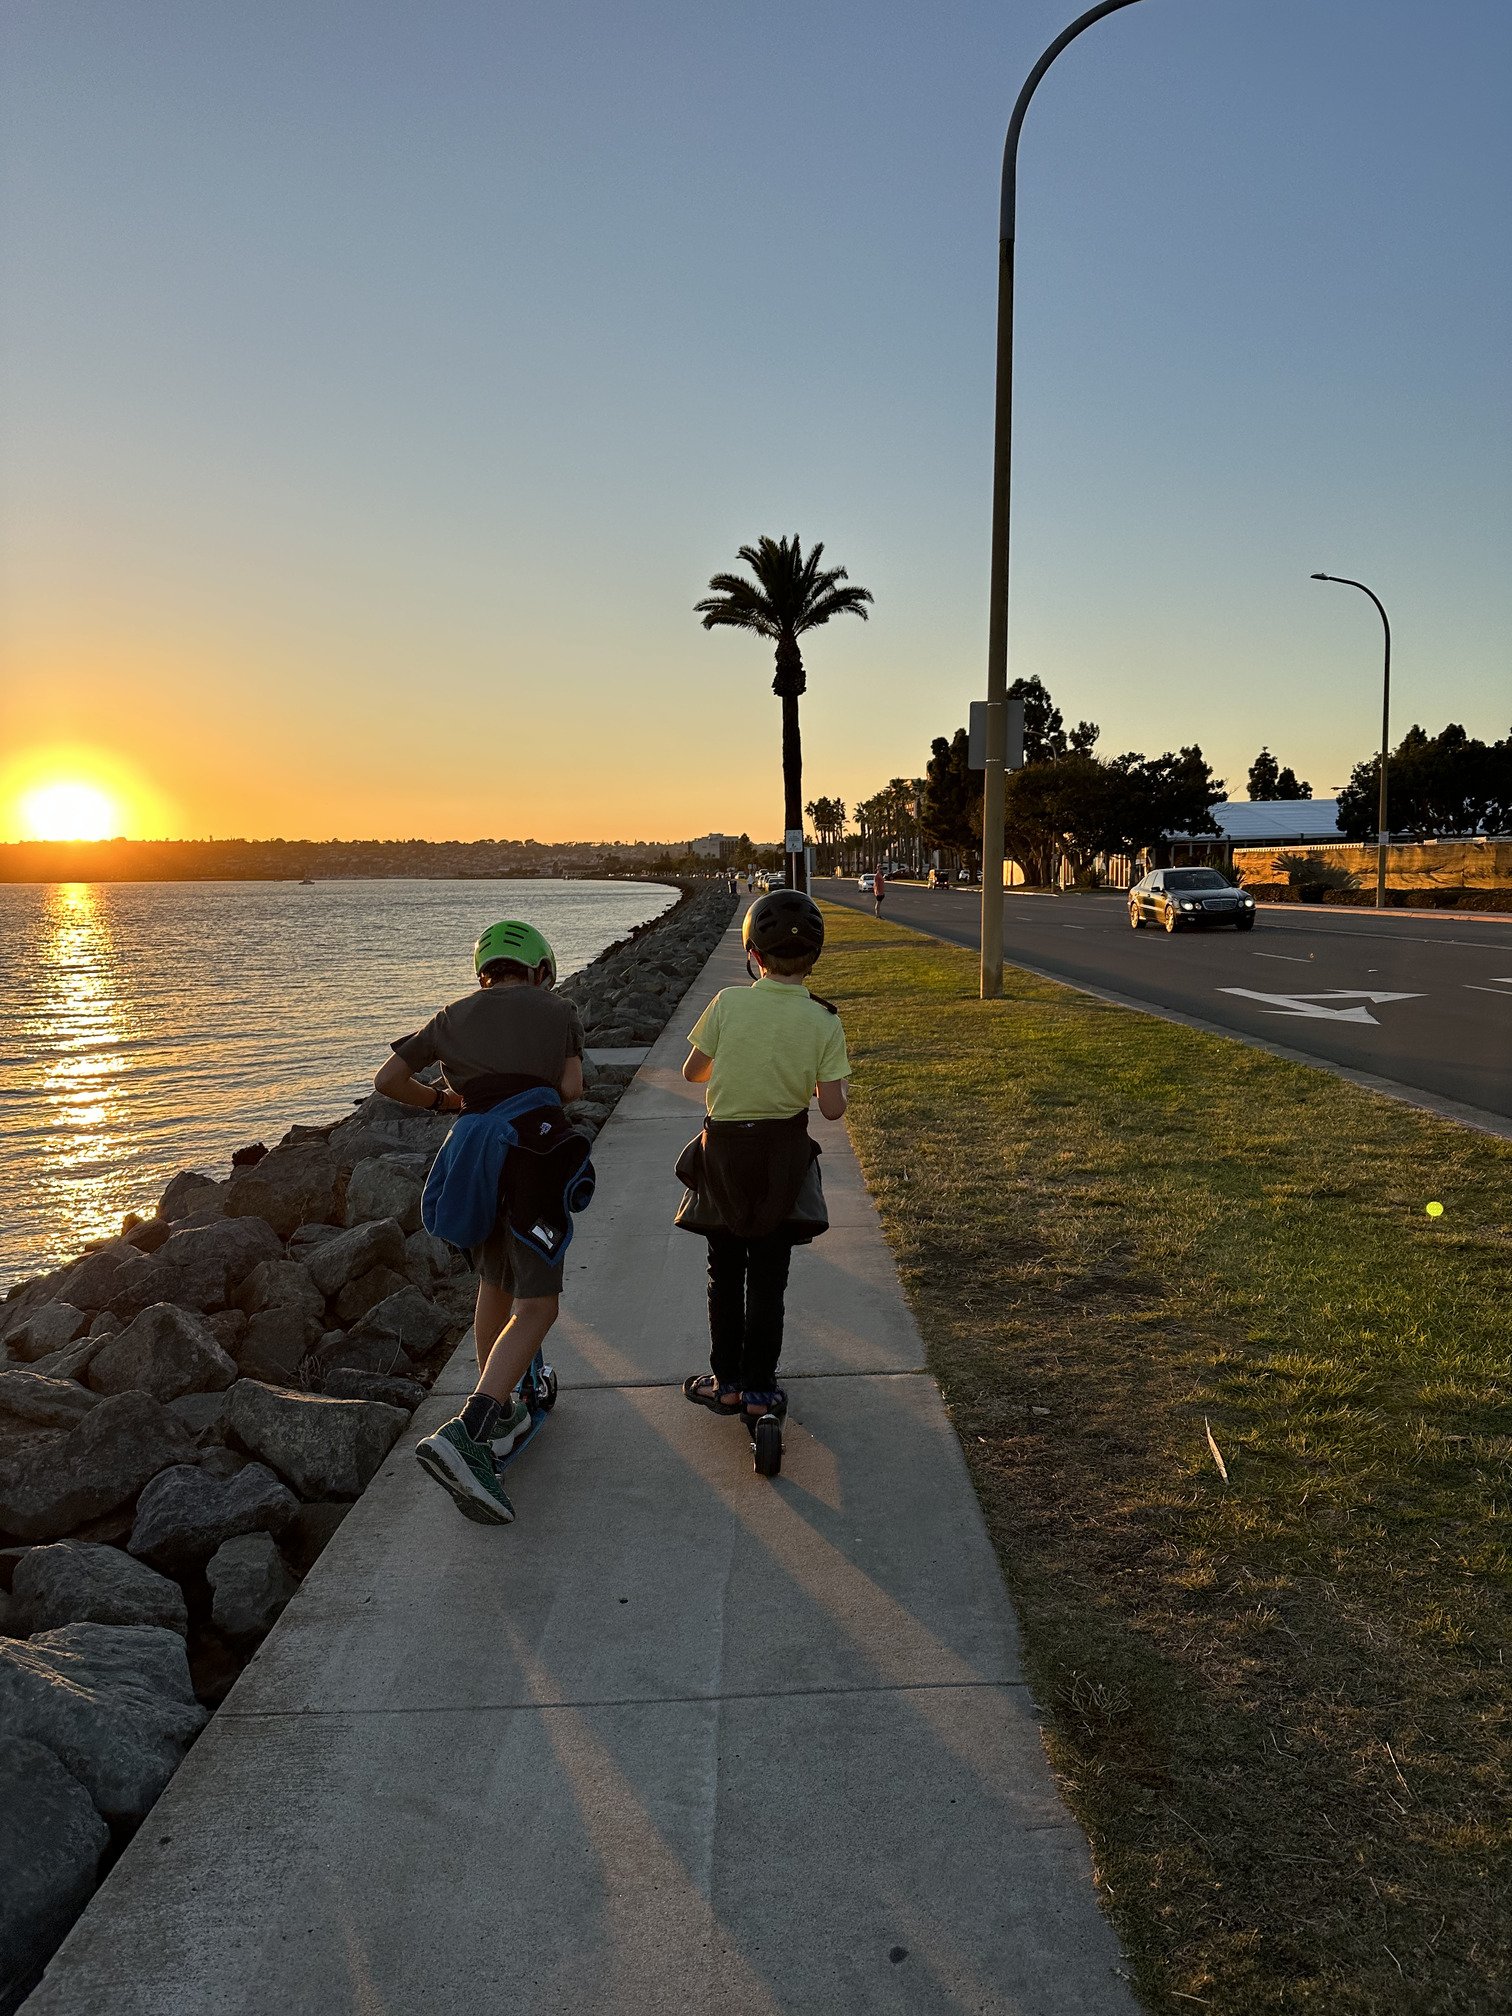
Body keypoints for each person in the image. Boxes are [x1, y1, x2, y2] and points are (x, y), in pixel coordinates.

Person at [374, 919, 587, 1525]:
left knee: (494, 1282)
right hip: (530, 1158)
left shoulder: (452, 1015)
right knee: (539, 1305)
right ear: (540, 968)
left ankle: (504, 1400)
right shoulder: (558, 1010)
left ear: (483, 969)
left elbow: (387, 1080)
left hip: (473, 1154)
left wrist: (448, 1100)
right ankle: (471, 1428)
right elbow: (571, 1087)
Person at [678, 890, 850, 1428]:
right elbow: (832, 1109)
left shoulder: (728, 1003)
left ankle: (725, 1380)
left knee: (723, 1272)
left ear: (752, 953)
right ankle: (760, 1387)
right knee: (770, 1277)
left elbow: (692, 1072)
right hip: (784, 1155)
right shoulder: (824, 1021)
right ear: (815, 957)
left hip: (725, 1153)